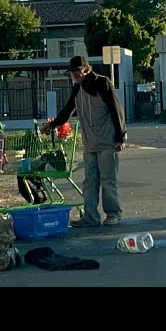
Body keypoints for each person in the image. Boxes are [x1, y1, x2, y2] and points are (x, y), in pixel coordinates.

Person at [43, 55, 127, 227]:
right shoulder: (78, 87)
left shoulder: (103, 83)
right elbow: (68, 109)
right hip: (90, 143)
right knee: (90, 181)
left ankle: (113, 214)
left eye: (78, 71)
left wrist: (120, 137)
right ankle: (91, 217)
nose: (75, 74)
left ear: (87, 69)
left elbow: (116, 110)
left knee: (108, 180)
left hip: (107, 141)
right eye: (73, 72)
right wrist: (53, 124)